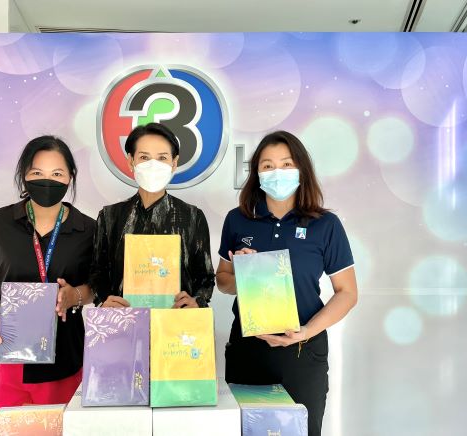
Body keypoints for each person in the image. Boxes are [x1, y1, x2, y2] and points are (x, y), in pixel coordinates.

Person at [216, 130, 358, 436]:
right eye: (267, 165)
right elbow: (223, 281)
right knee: (248, 431)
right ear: (256, 173)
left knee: (301, 430)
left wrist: (306, 331)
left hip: (303, 351)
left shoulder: (325, 224)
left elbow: (347, 293)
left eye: (286, 164)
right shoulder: (238, 219)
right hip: (248, 349)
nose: (276, 172)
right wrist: (245, 275)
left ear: (301, 169)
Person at [0, 136, 96, 436]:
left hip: (63, 360)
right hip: (3, 357)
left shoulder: (88, 230)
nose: (47, 181)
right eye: (37, 173)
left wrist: (74, 295)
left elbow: (96, 288)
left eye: (57, 173)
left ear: (70, 177)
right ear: (24, 176)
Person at [90, 122, 215, 309]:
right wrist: (104, 301)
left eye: (162, 158)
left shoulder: (192, 217)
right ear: (131, 161)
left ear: (174, 163)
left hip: (175, 321)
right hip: (123, 321)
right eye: (144, 157)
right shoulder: (110, 217)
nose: (153, 165)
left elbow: (205, 276)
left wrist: (196, 301)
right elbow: (97, 272)